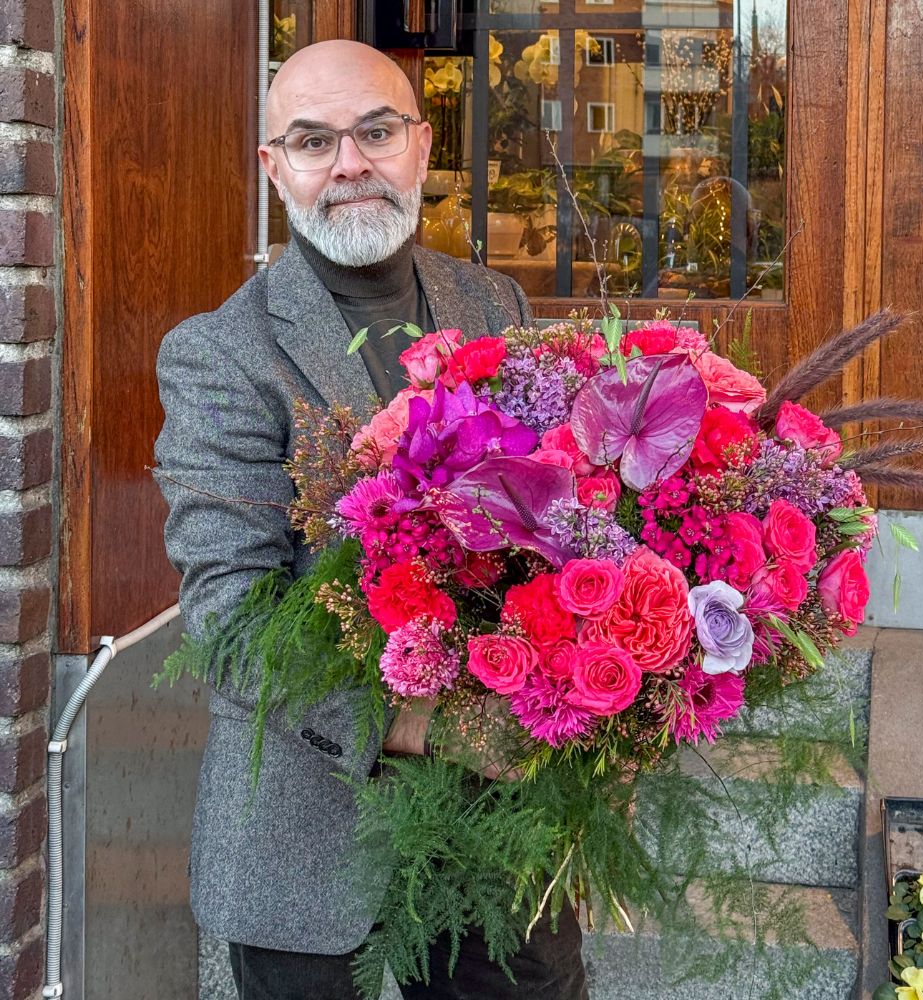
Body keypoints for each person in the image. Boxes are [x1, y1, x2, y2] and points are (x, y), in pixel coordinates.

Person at [154, 39, 589, 1000]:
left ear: (421, 146)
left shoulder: (493, 301)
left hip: (499, 832)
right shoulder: (219, 355)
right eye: (314, 141)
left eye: (376, 132)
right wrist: (431, 725)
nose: (350, 162)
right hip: (302, 838)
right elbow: (229, 624)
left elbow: (558, 524)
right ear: (275, 168)